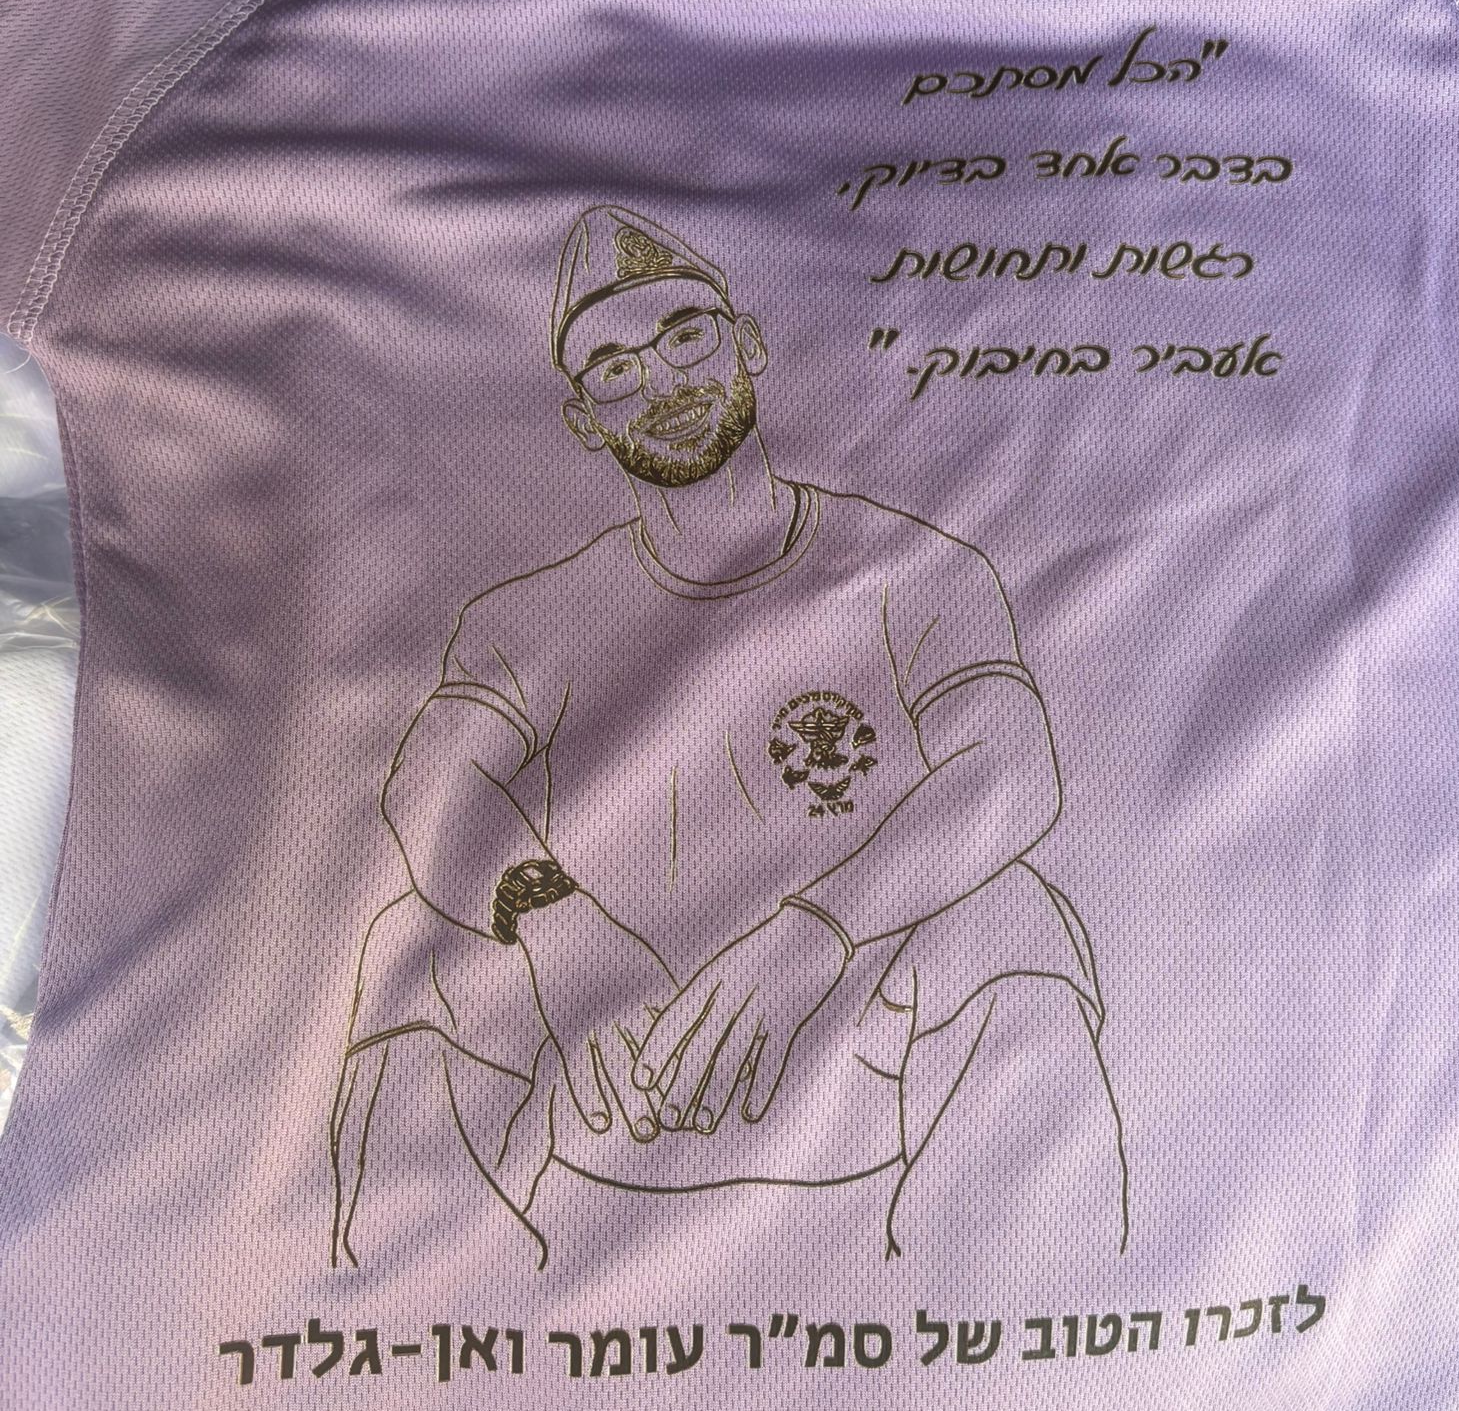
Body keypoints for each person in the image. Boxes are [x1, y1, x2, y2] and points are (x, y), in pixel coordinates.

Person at [331, 204, 1127, 1269]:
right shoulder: (527, 619)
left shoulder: (918, 571)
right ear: (585, 419)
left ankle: (1027, 1280)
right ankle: (402, 1311)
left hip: (855, 1041)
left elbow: (1012, 769)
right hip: (611, 1070)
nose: (662, 380)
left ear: (746, 342)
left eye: (684, 336)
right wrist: (555, 930)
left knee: (1011, 913)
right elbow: (434, 780)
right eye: (616, 368)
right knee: (411, 943)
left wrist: (815, 933)